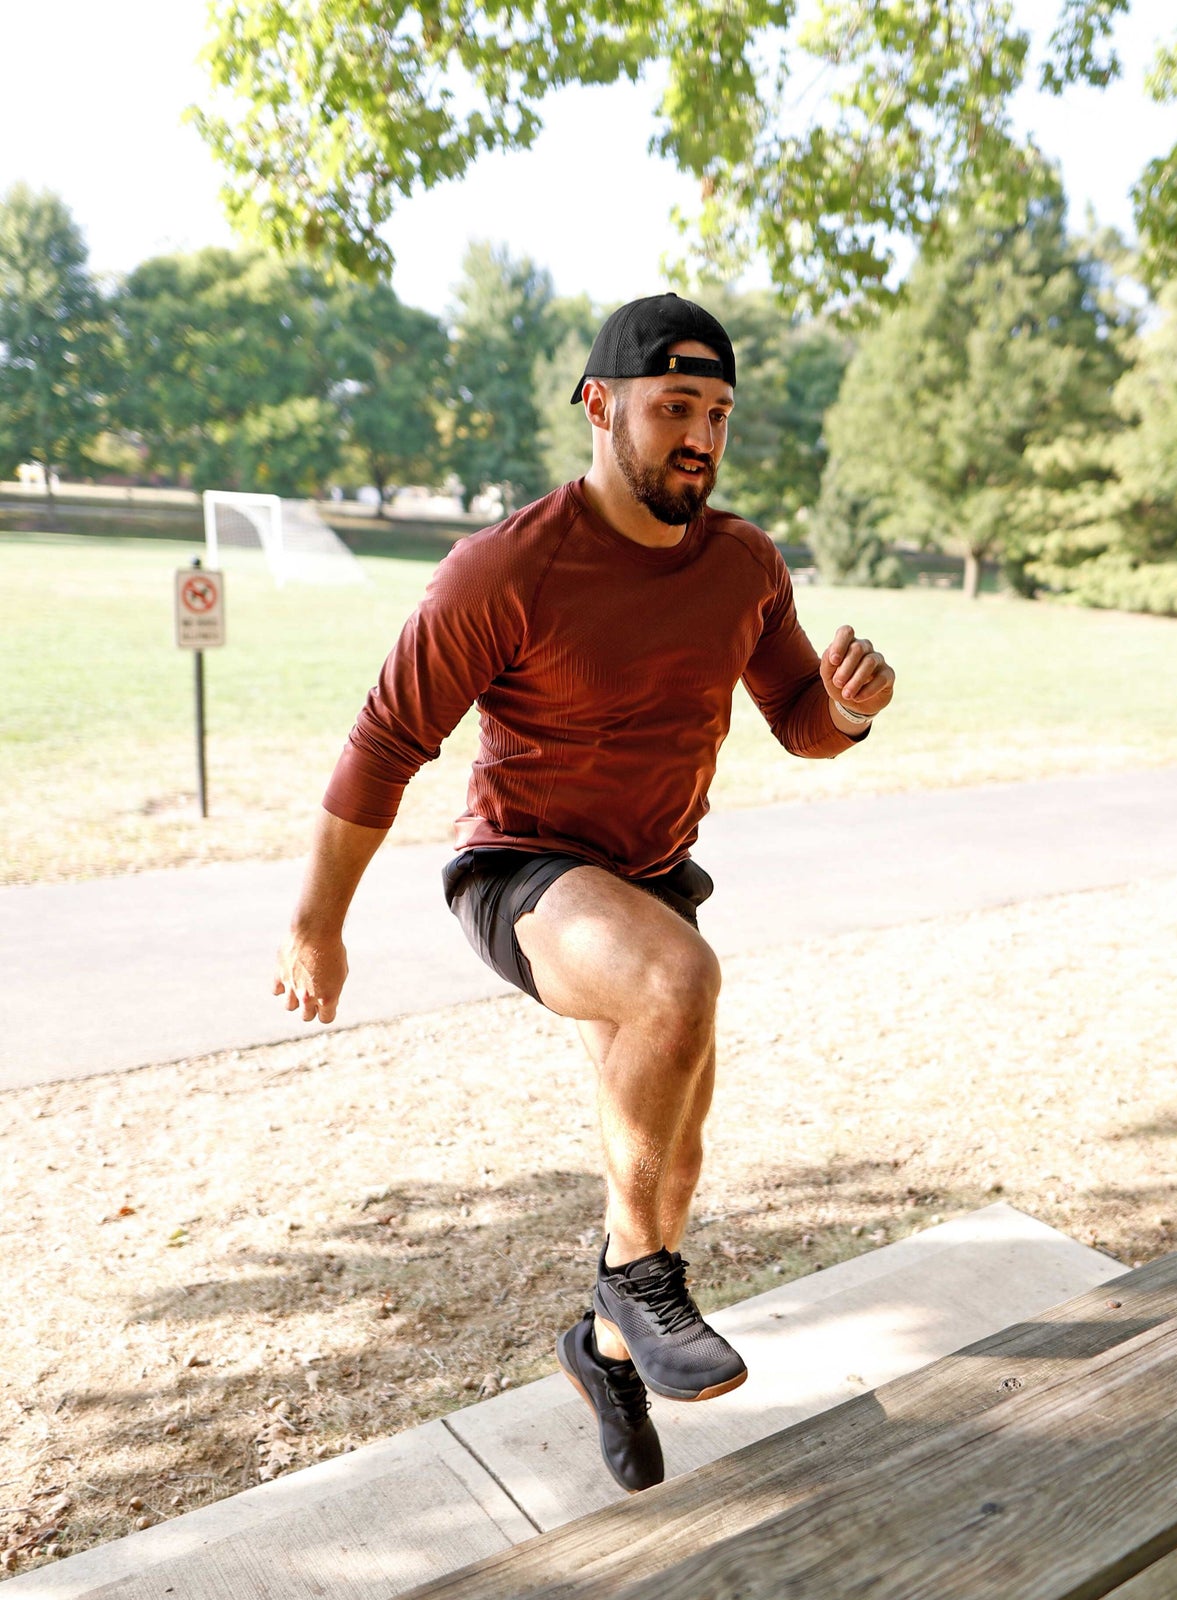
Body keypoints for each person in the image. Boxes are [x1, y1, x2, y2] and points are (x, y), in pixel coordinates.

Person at [271, 292, 896, 1495]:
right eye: (673, 408)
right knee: (676, 979)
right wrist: (316, 922)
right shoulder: (505, 568)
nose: (700, 437)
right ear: (599, 408)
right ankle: (636, 1284)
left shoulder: (744, 564)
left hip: (654, 874)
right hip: (523, 867)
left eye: (715, 412)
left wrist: (852, 707)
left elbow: (801, 723)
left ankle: (604, 1344)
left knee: (670, 1160)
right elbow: (385, 740)